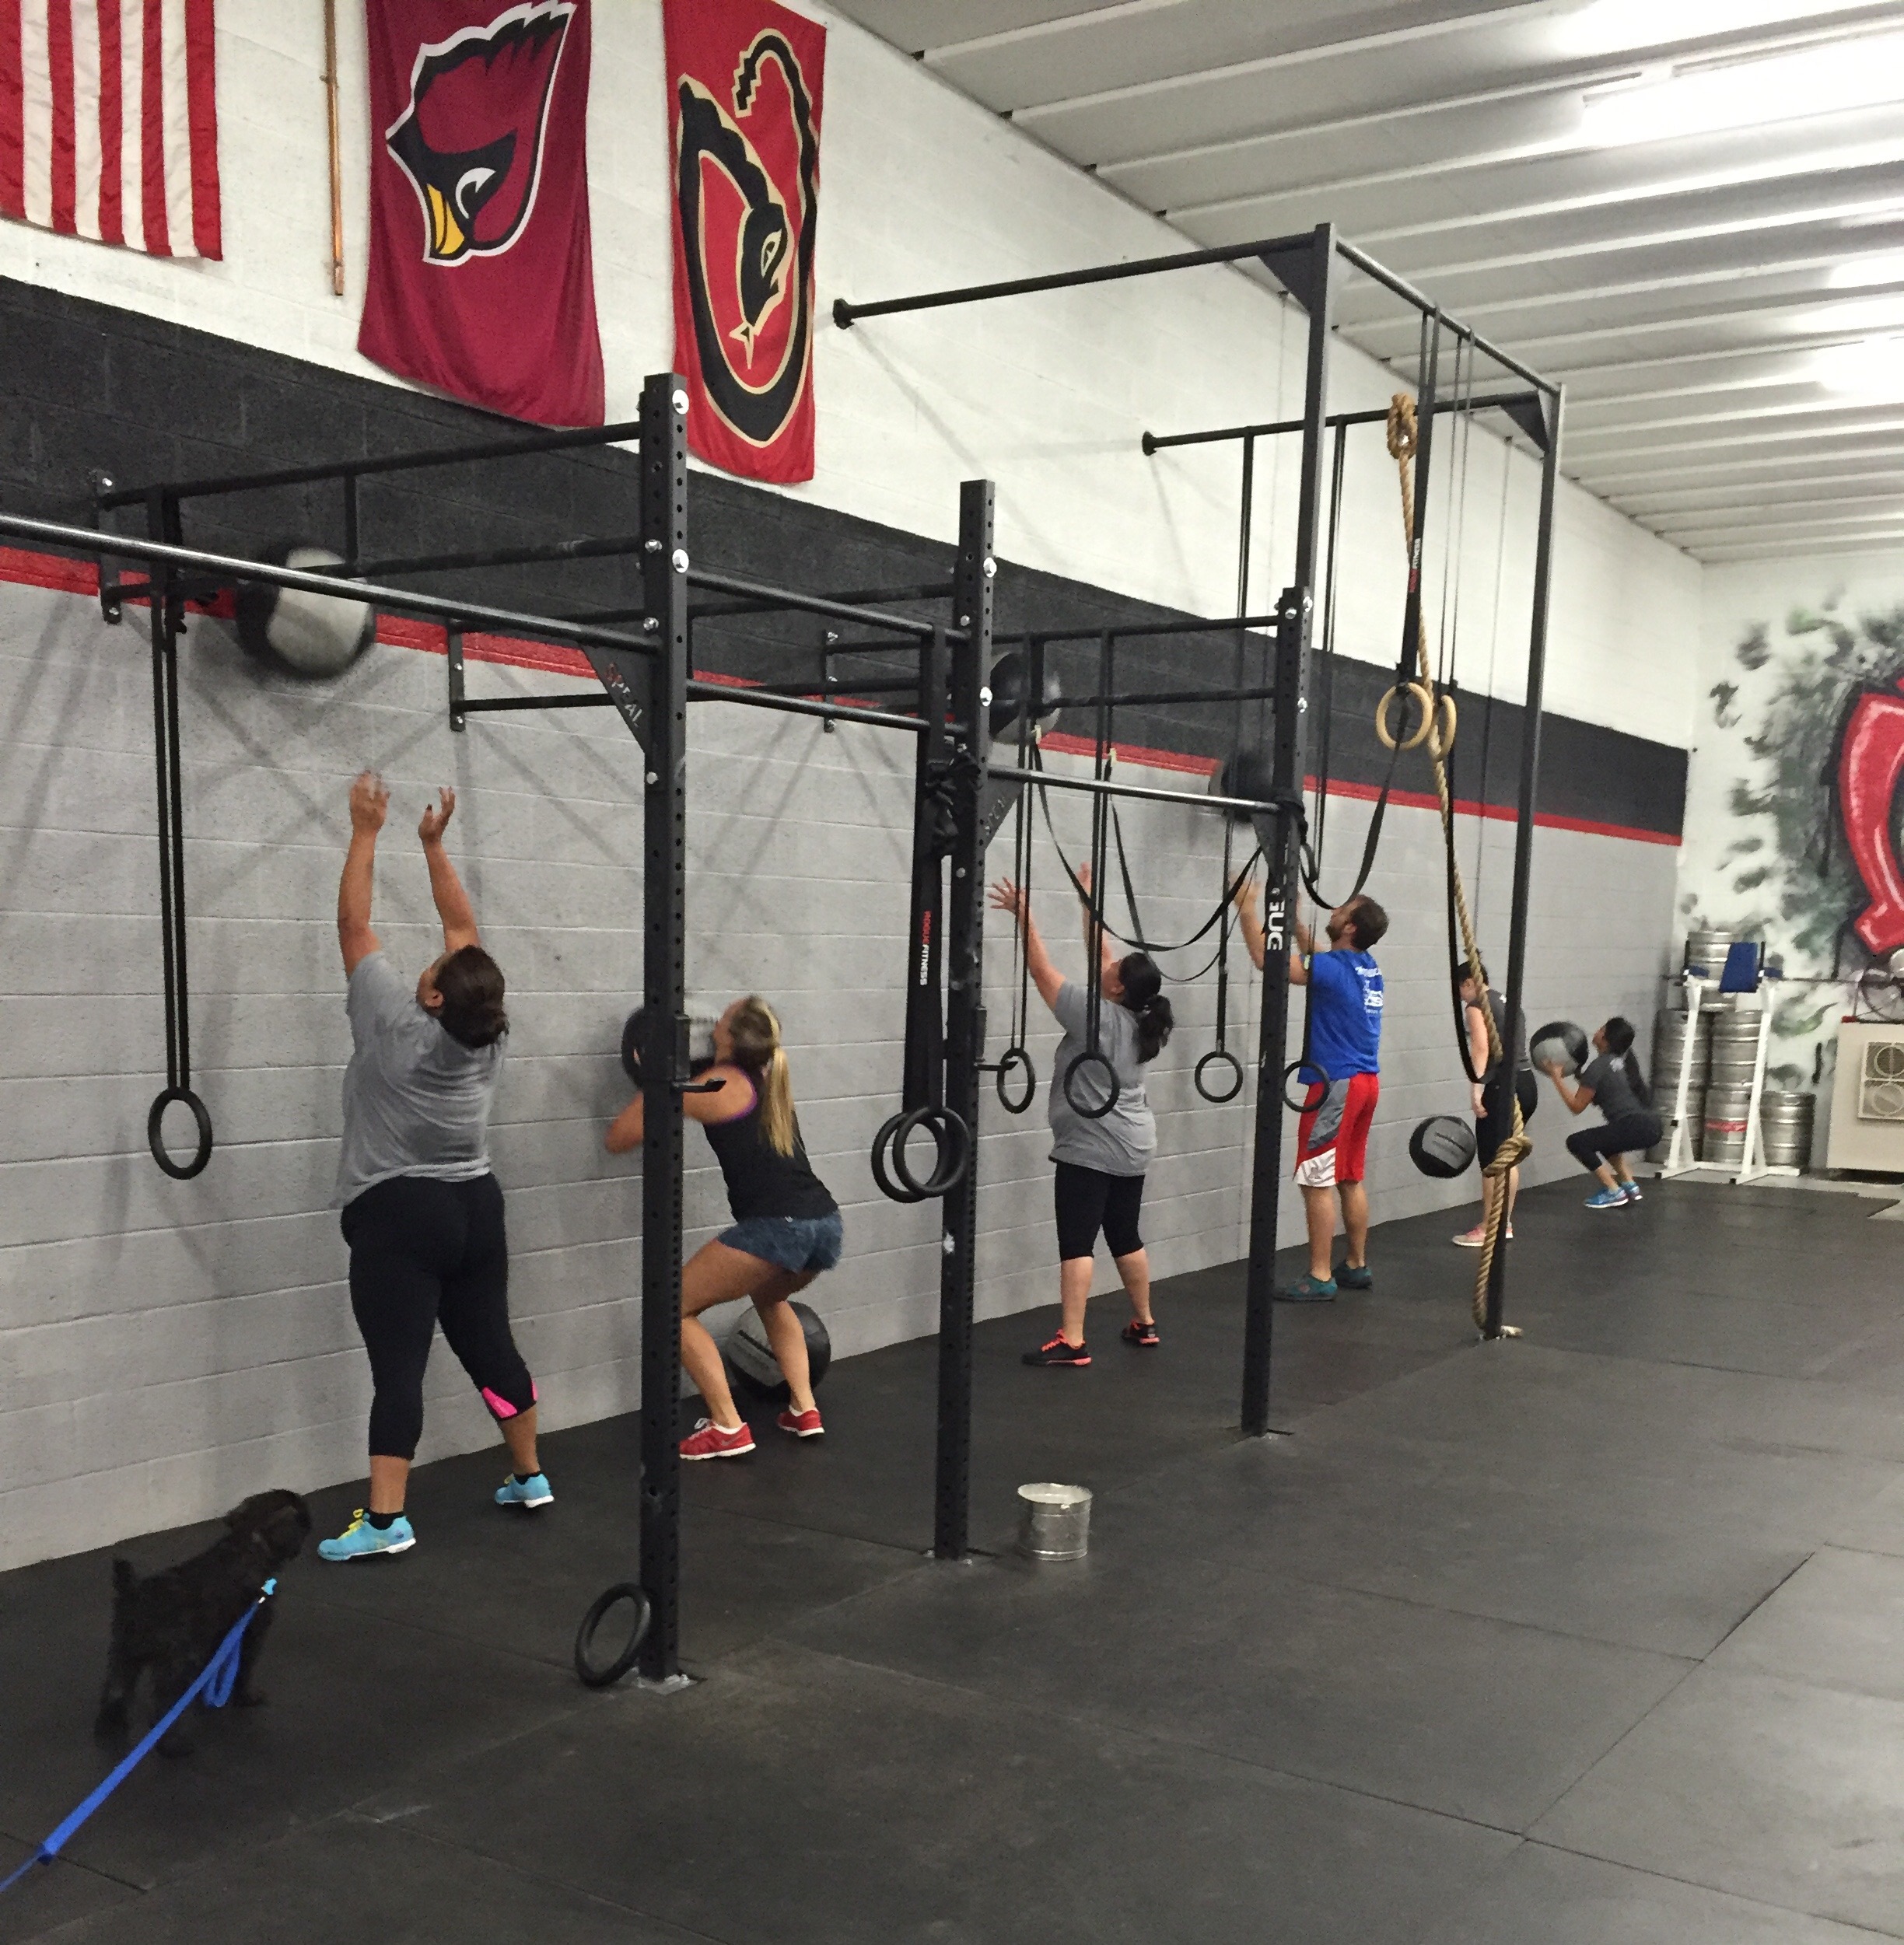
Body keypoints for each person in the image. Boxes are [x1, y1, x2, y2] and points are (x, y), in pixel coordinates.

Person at [320, 772, 544, 1563]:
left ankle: (386, 1520)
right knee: (491, 1345)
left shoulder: (394, 1020)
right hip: (476, 1207)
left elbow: (353, 925)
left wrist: (365, 831)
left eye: (436, 968)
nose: (433, 959)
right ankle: (529, 1474)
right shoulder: (489, 1028)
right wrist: (433, 845)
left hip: (400, 1216)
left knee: (399, 1369)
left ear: (437, 998)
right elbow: (463, 929)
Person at [607, 996, 840, 1457]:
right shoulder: (767, 1077)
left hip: (779, 1227)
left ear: (729, 1038)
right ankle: (804, 1409)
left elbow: (620, 1138)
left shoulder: (714, 1085)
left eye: (722, 1019)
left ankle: (728, 1425)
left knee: (670, 1306)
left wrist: (658, 1077)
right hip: (825, 1224)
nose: (711, 1023)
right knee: (770, 1296)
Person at [989, 866, 1173, 1366]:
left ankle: (1072, 1340)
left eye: (1117, 969)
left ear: (1117, 988)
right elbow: (1104, 953)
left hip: (1091, 1146)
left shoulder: (1094, 1013)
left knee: (1077, 1242)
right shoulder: (1141, 1017)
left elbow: (1041, 972)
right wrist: (1087, 899)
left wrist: (1026, 918)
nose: (1109, 965)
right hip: (1135, 1144)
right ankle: (1145, 1321)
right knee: (1125, 1234)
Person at [1236, 884, 1388, 1302]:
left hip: (1336, 1084)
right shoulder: (1366, 967)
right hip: (1364, 1083)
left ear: (1350, 927)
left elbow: (1268, 961)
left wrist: (1247, 909)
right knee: (1349, 1176)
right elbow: (1319, 958)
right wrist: (1296, 923)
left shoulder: (1334, 969)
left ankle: (1320, 1275)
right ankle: (1355, 1264)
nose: (1334, 909)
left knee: (1316, 1179)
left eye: (1343, 909)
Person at [1454, 964, 1537, 1248]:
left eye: (1460, 990)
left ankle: (1491, 1226)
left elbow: (1481, 1048)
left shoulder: (1476, 1005)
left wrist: (1476, 1089)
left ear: (1469, 983)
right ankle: (1504, 1224)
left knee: (1492, 1160)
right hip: (1525, 1083)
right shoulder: (1506, 1000)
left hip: (1502, 1087)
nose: (1461, 997)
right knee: (1507, 1156)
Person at [1542, 1016, 1660, 1209]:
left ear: (1605, 1038)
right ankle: (1629, 1185)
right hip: (1651, 1125)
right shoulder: (1617, 1062)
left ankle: (1613, 1191)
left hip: (1635, 1125)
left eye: (1602, 1029)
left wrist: (1556, 1077)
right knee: (1607, 1144)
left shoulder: (1599, 1066)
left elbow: (1576, 1107)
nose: (1597, 1031)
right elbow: (1600, 1095)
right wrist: (1580, 1076)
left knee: (1577, 1142)